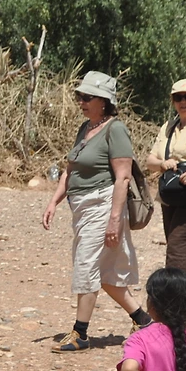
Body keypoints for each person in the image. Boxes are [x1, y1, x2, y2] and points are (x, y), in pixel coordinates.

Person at [42, 71, 150, 351]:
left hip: (103, 206)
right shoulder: (85, 128)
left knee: (87, 265)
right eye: (80, 96)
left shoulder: (116, 129)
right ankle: (143, 319)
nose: (81, 101)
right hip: (82, 208)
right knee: (106, 273)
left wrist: (114, 220)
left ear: (104, 101)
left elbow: (123, 177)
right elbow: (71, 168)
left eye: (87, 97)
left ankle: (81, 334)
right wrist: (54, 201)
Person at [146, 79, 186, 282]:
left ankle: (174, 307)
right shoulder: (168, 127)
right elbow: (150, 160)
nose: (183, 101)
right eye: (178, 97)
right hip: (171, 197)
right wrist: (163, 164)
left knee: (177, 253)